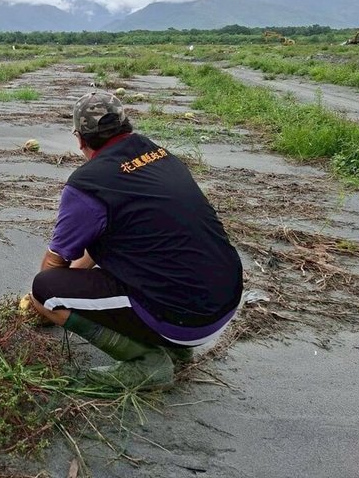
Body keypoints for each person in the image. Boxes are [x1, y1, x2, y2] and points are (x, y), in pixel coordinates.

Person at [29, 92, 243, 388]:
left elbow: (54, 265)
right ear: (126, 126)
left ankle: (146, 361)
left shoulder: (89, 183)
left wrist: (44, 303)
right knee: (142, 250)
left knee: (45, 290)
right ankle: (178, 349)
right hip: (225, 300)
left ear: (80, 139)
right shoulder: (158, 153)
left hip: (185, 320)